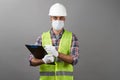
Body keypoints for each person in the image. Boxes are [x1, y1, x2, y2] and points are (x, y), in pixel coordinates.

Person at [29, 3, 79, 80]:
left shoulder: (72, 37)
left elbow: (74, 60)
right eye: (55, 18)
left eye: (61, 18)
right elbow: (32, 61)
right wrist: (43, 61)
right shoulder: (42, 38)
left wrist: (57, 54)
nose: (58, 20)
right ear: (51, 18)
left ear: (64, 19)